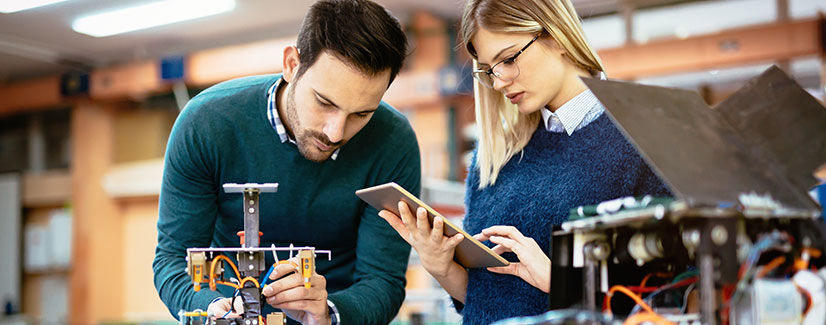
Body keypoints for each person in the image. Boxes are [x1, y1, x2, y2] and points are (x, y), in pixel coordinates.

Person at [378, 0, 671, 323]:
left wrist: (561, 281)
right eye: (489, 70)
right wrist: (441, 266)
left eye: (508, 59)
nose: (499, 81)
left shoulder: (642, 140)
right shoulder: (492, 159)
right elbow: (483, 297)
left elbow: (673, 290)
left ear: (556, 37)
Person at [152, 1, 420, 324]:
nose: (335, 132)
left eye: (361, 114)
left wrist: (329, 313)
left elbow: (383, 281)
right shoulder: (206, 124)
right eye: (324, 102)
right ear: (292, 64)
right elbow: (173, 261)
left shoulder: (393, 142)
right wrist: (213, 309)